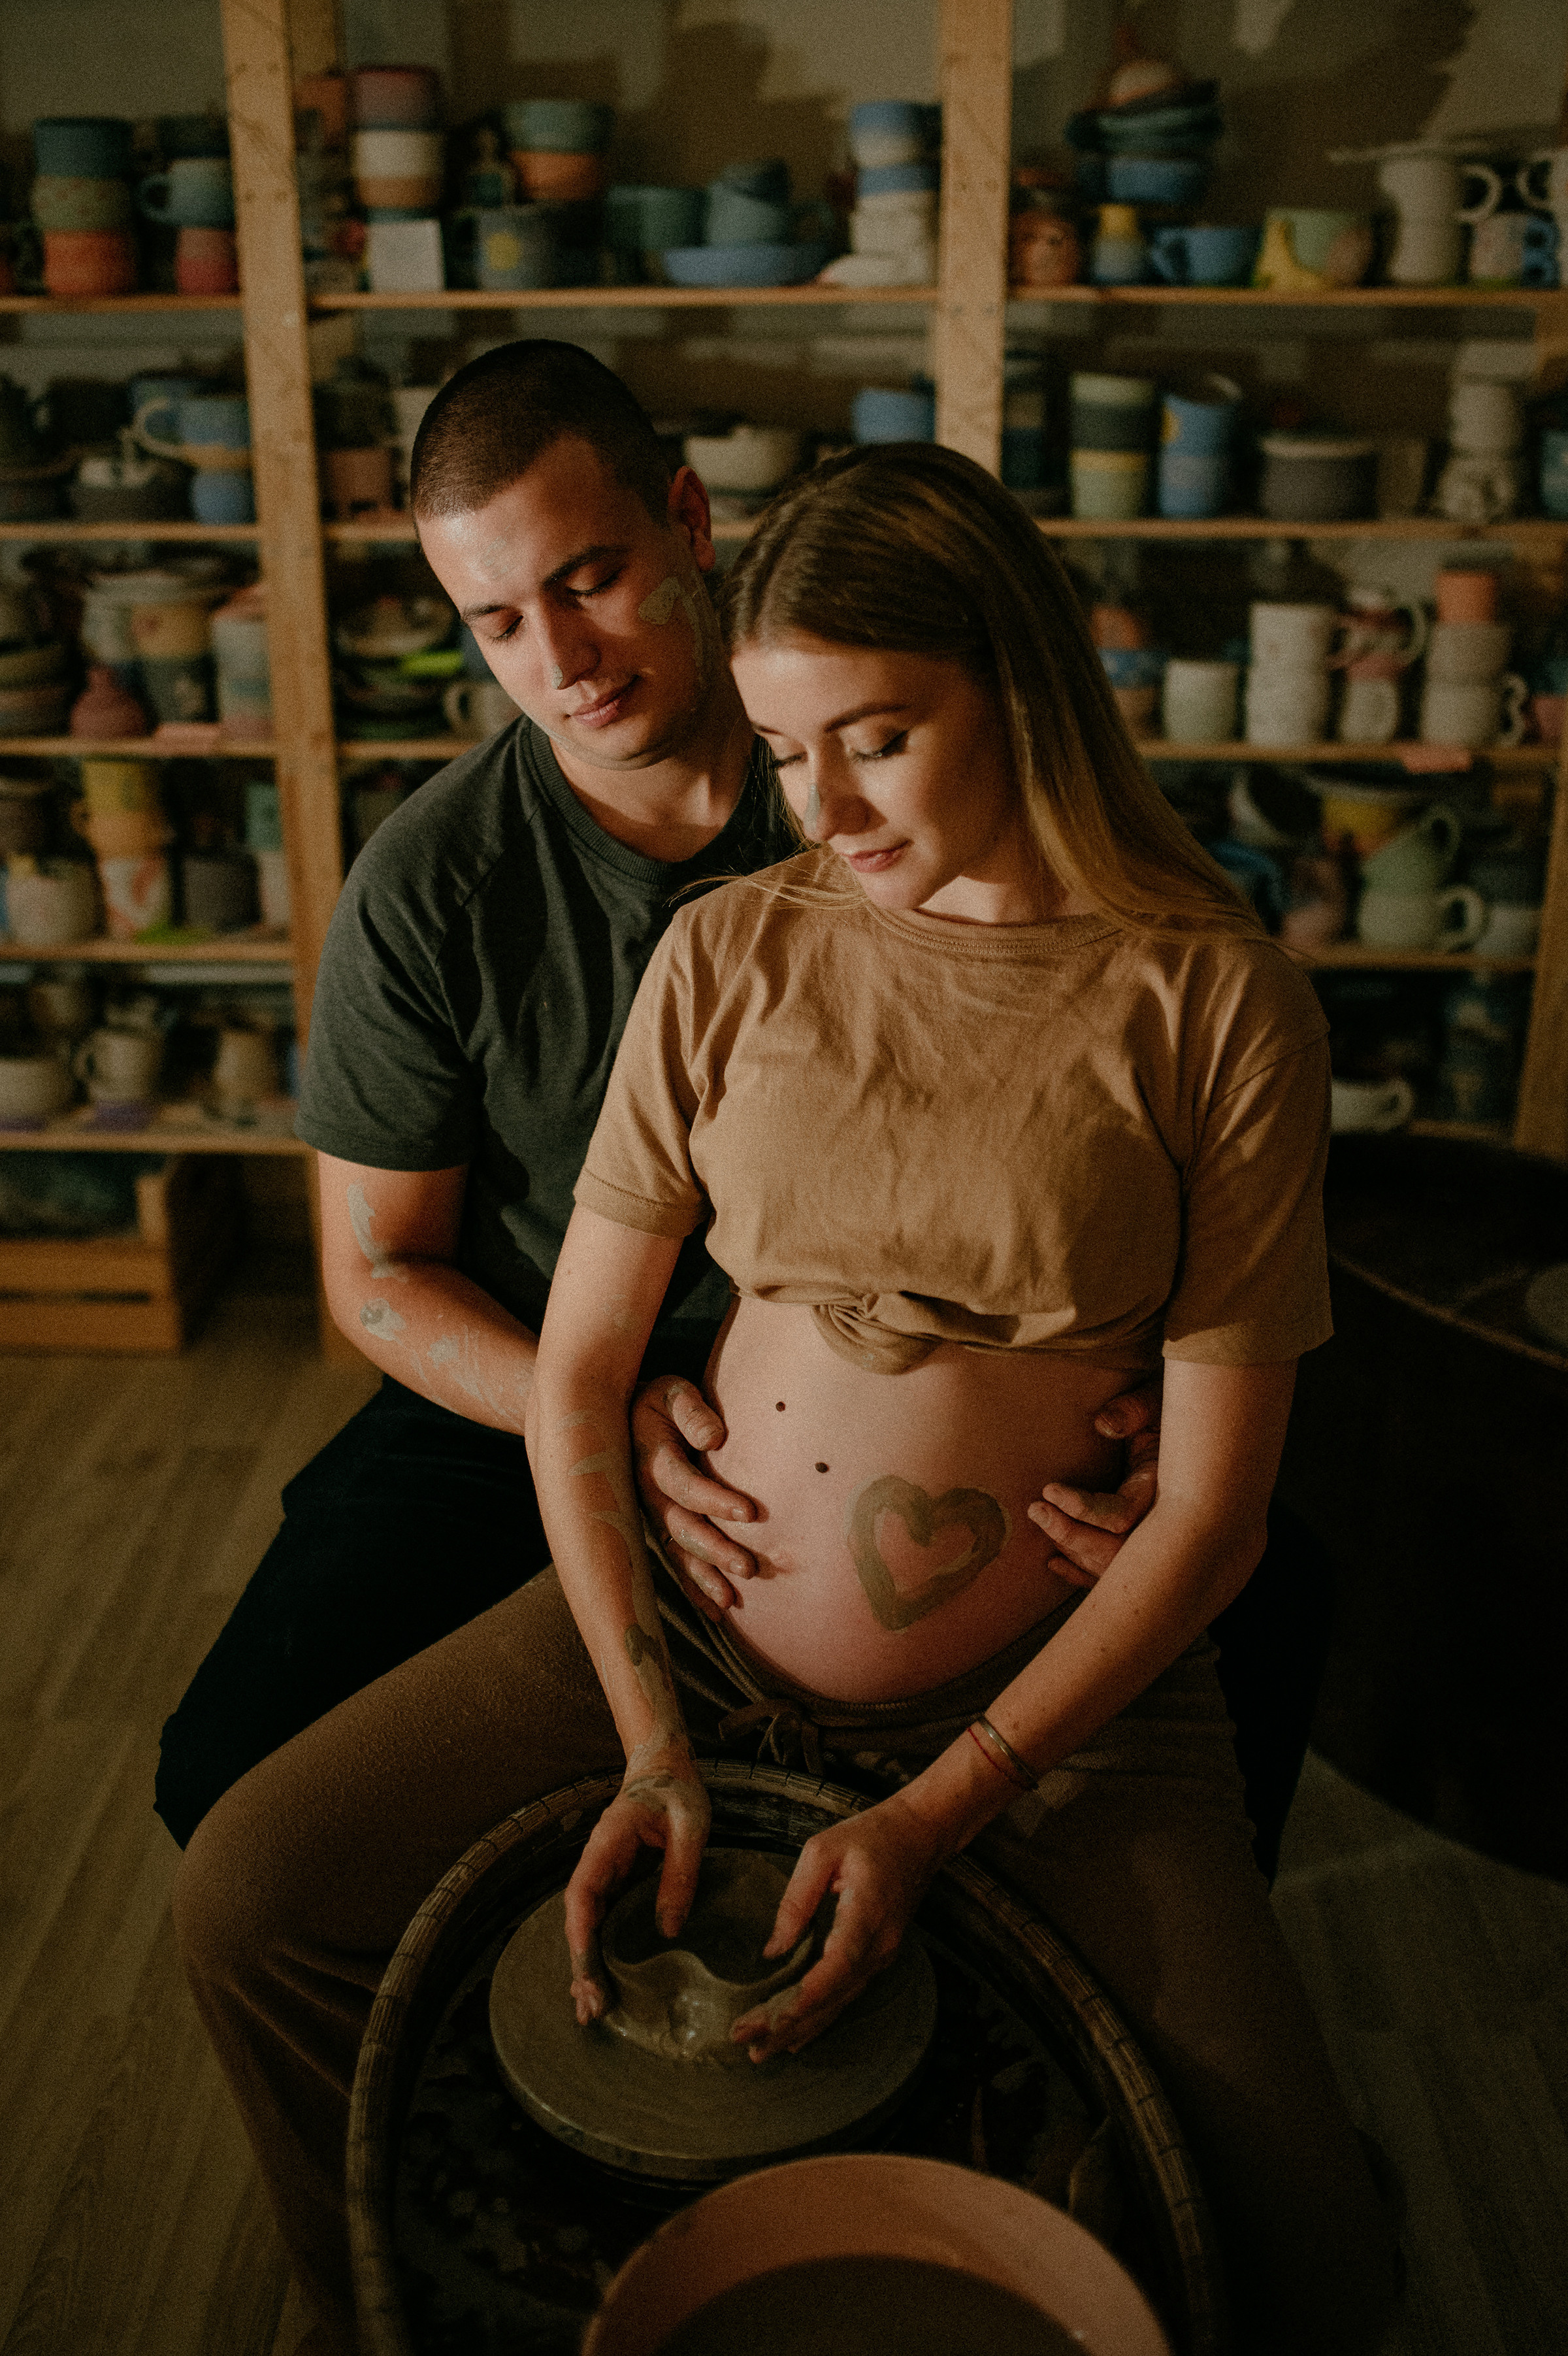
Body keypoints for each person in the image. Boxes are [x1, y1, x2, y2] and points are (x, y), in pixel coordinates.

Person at [172, 439, 1392, 2356]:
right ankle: (403, 2289)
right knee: (251, 1889)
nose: (815, 802)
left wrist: (939, 1804)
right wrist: (652, 1730)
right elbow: (580, 1370)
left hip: (1050, 1706)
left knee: (1307, 2242)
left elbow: (1218, 1510)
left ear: (1017, 678)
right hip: (684, 1611)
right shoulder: (737, 944)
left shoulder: (1214, 998)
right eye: (784, 742)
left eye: (875, 738)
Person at [159, 342, 1284, 1859]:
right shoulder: (435, 882)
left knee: (1273, 1595)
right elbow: (373, 1278)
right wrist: (605, 1418)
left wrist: (1143, 1408)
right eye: (496, 621)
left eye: (591, 578)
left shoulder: (875, 779)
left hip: (915, 1363)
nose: (560, 656)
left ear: (690, 522)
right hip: (539, 1372)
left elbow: (1093, 1082)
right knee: (225, 1776)